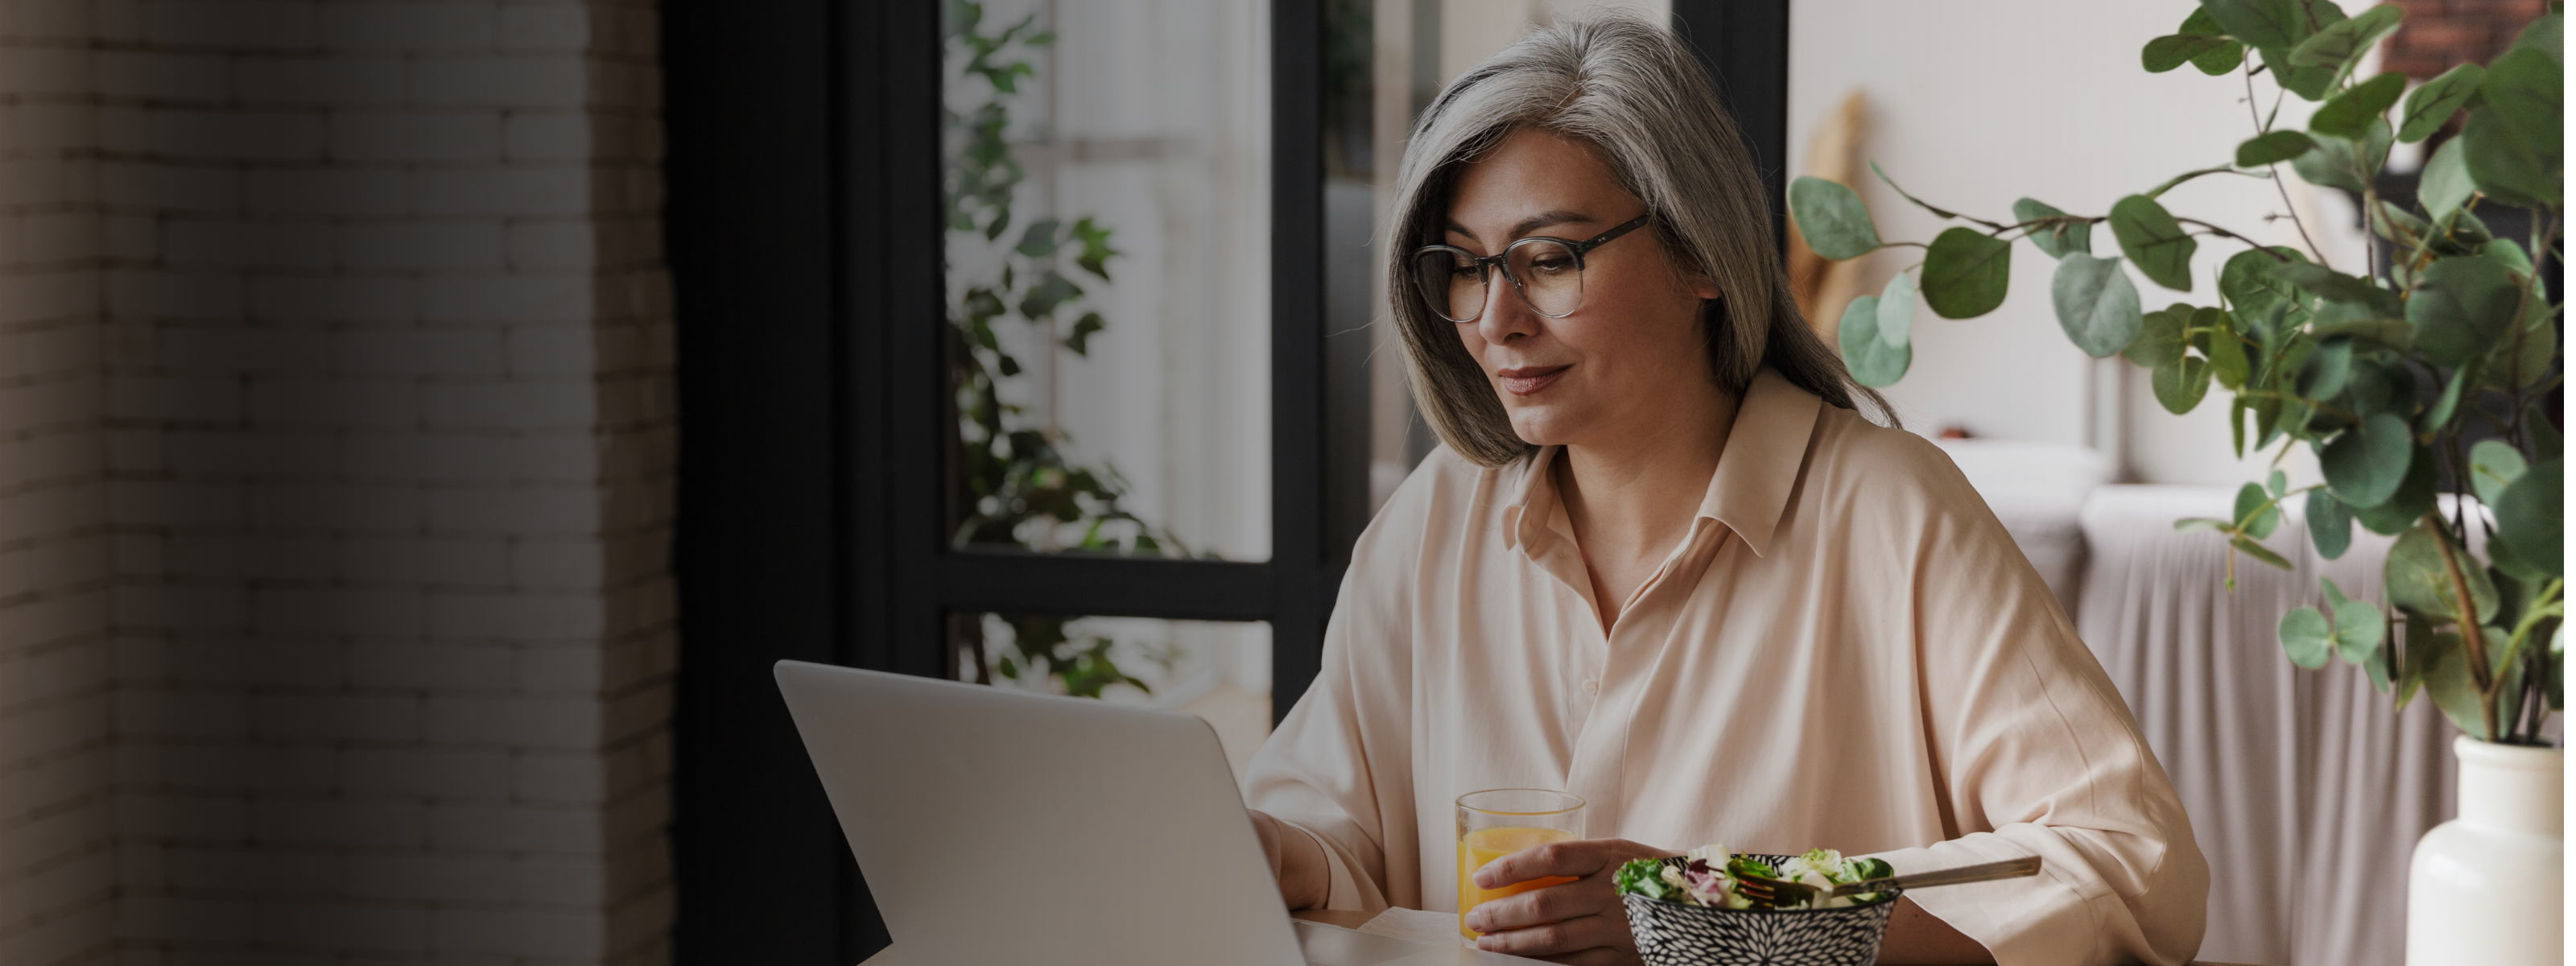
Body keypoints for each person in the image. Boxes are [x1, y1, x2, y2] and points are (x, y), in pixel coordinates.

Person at [1240, 13, 2207, 966]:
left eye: (1550, 260)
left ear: (1698, 252)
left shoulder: (1891, 510)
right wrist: (1270, 852)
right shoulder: (1435, 520)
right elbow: (1331, 838)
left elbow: (2126, 862)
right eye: (1464, 266)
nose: (1496, 319)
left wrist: (1713, 909)